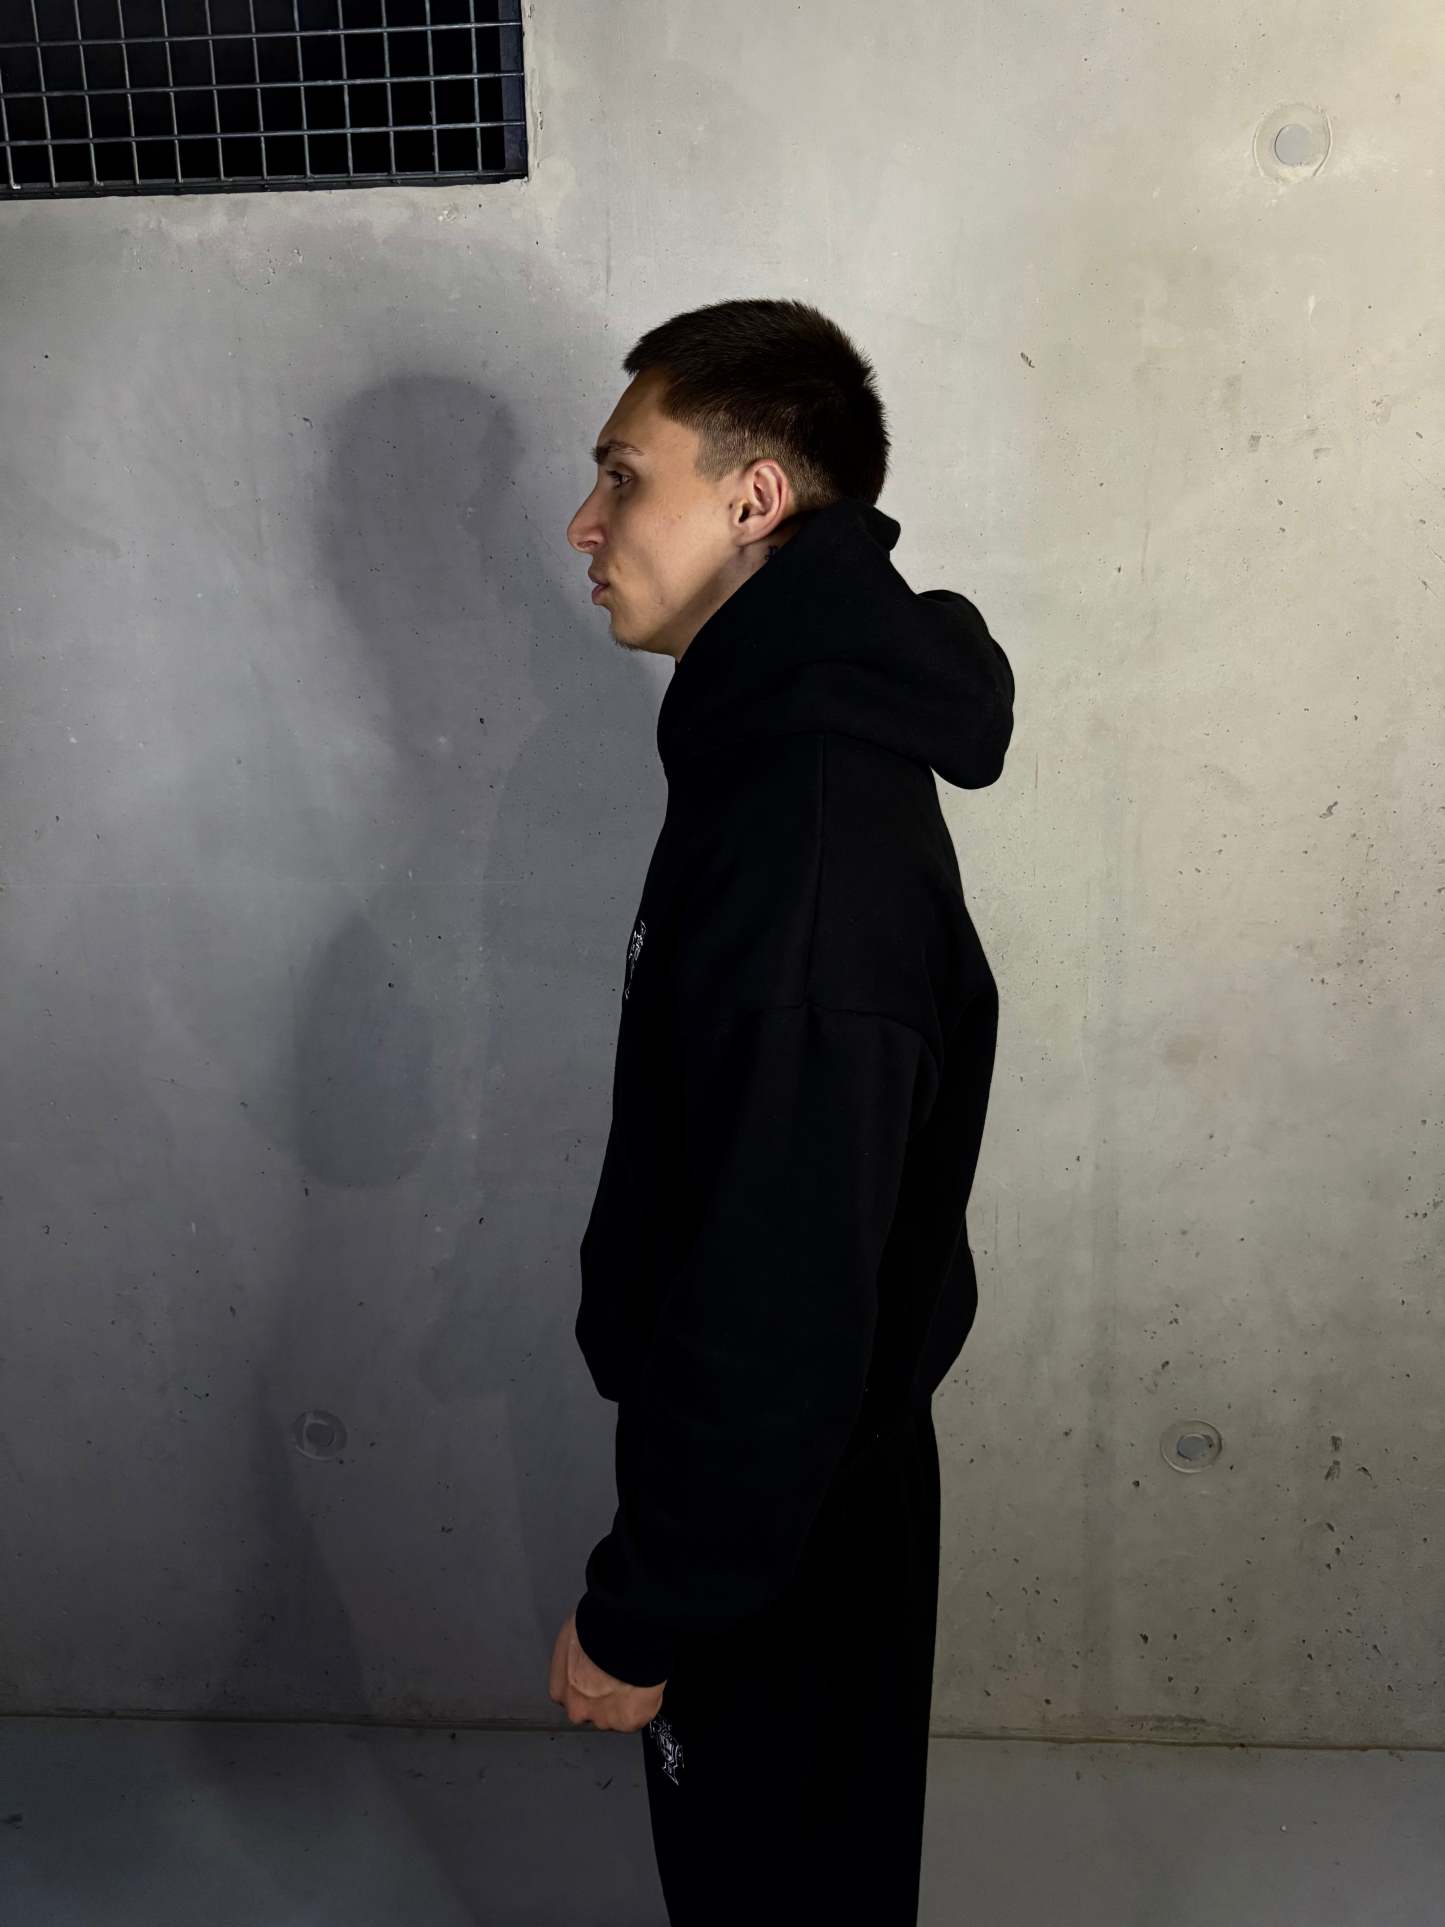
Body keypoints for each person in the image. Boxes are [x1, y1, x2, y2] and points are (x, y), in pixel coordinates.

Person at [547, 296, 1015, 1924]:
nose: (584, 522)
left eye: (623, 475)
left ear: (754, 498)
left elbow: (782, 1298)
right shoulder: (769, 757)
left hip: (778, 1519)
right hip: (778, 1489)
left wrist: (644, 1608)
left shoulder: (803, 839)